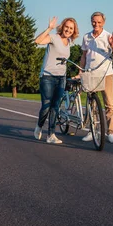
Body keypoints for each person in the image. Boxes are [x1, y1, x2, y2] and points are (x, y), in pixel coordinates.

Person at [33, 16, 79, 144]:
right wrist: (49, 28)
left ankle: (51, 135)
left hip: (61, 78)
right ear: (62, 26)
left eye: (71, 28)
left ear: (73, 31)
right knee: (46, 106)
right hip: (47, 76)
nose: (68, 30)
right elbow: (37, 41)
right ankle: (39, 125)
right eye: (67, 27)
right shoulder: (54, 37)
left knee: (55, 107)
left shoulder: (69, 42)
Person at [80, 11, 113, 144]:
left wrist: (112, 45)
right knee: (91, 104)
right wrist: (81, 71)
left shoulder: (108, 36)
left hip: (106, 73)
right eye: (94, 21)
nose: (96, 24)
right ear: (91, 21)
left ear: (103, 23)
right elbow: (84, 56)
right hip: (90, 73)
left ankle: (111, 133)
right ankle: (92, 131)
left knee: (109, 104)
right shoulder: (87, 37)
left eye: (99, 22)